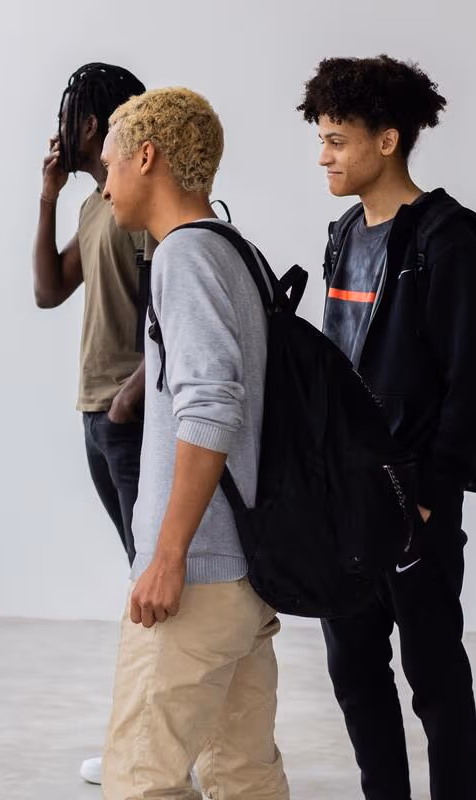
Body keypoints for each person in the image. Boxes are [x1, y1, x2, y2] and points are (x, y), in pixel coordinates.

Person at [298, 55, 476, 800]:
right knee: (354, 674)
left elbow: (472, 381)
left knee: (435, 678)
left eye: (337, 140)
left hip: (414, 499)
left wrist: (429, 493)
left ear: (387, 141)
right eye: (319, 139)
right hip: (344, 502)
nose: (323, 155)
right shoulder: (344, 233)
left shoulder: (448, 236)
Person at [98, 87, 289, 799]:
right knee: (244, 774)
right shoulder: (237, 253)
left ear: (147, 158)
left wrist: (168, 556)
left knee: (141, 779)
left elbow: (211, 408)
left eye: (111, 164)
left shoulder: (183, 258)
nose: (107, 184)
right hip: (243, 572)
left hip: (198, 579)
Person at [32, 61, 149, 786]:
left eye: (70, 114)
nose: (61, 127)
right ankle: (148, 740)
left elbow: (182, 311)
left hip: (130, 419)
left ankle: (151, 745)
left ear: (97, 123)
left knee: (157, 588)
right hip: (96, 415)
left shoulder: (142, 204)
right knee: (145, 580)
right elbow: (49, 290)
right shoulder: (95, 205)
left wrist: (134, 394)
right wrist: (46, 197)